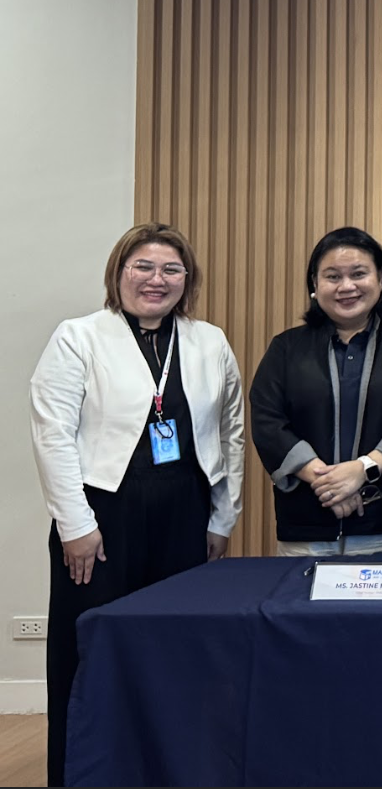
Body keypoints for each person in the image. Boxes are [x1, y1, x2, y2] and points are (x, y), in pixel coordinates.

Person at [29, 223, 243, 787]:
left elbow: (231, 433)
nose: (156, 279)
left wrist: (222, 517)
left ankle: (169, 771)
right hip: (101, 519)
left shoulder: (209, 341)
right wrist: (75, 525)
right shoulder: (79, 337)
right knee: (89, 651)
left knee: (175, 649)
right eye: (142, 266)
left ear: (187, 280)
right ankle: (80, 774)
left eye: (171, 269)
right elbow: (53, 435)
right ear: (118, 273)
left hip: (185, 513)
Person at [249, 227, 382, 555]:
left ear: (380, 279)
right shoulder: (286, 347)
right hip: (306, 525)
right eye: (332, 276)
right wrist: (327, 481)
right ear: (315, 285)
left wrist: (363, 469)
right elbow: (267, 420)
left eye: (358, 274)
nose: (346, 286)